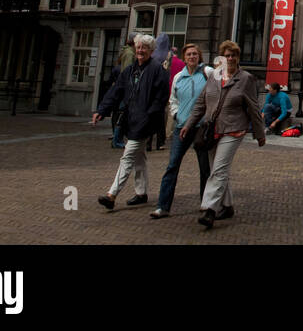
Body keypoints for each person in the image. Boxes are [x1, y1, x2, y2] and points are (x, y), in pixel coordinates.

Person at [181, 40, 265, 228]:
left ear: (238, 57)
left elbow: (254, 108)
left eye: (233, 55)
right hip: (212, 129)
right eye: (227, 55)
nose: (230, 58)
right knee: (218, 169)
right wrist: (188, 124)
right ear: (222, 58)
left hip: (234, 129)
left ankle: (209, 209)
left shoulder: (246, 79)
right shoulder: (215, 76)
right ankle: (227, 206)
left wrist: (260, 134)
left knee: (218, 169)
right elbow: (201, 103)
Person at [91, 34, 170, 210]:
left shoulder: (158, 70)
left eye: (144, 48)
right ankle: (141, 193)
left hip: (145, 121)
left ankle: (112, 195)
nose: (141, 50)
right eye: (139, 47)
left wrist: (148, 116)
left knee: (127, 156)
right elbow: (116, 91)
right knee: (139, 158)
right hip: (131, 120)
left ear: (151, 51)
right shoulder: (129, 70)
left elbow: (160, 98)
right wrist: (101, 110)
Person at [151, 43, 215, 219]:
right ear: (185, 57)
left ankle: (206, 204)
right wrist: (177, 115)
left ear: (199, 56)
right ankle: (163, 206)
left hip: (201, 128)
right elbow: (173, 99)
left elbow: (218, 91)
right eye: (189, 54)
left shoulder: (207, 73)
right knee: (172, 165)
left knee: (205, 168)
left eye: (195, 54)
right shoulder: (179, 77)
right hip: (182, 128)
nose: (192, 57)